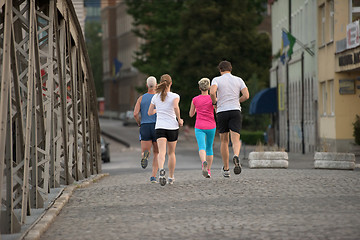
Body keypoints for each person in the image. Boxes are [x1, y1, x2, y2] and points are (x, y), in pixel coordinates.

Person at [210, 60, 249, 178]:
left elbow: (212, 92)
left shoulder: (216, 80)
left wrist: (215, 102)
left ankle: (226, 168)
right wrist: (237, 100)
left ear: (220, 70)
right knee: (236, 139)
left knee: (224, 141)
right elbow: (246, 95)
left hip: (222, 111)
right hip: (235, 110)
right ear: (230, 69)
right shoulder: (239, 80)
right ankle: (236, 155)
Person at [148, 74, 184, 186]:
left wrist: (157, 110)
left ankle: (161, 170)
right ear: (171, 83)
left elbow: (149, 112)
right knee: (171, 153)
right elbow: (175, 107)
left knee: (161, 152)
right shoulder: (175, 96)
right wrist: (179, 119)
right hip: (172, 127)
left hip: (160, 127)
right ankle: (171, 177)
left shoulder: (155, 97)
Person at [133, 76, 159, 183]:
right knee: (157, 153)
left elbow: (135, 114)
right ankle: (153, 176)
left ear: (146, 85)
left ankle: (145, 156)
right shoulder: (159, 98)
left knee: (145, 150)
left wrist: (139, 122)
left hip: (145, 126)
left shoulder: (141, 98)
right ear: (156, 85)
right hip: (157, 126)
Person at [189, 78, 216, 178]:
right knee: (209, 148)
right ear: (209, 87)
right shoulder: (212, 99)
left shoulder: (195, 99)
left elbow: (191, 114)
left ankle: (203, 162)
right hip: (211, 126)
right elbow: (217, 111)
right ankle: (208, 170)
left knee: (202, 147)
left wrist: (196, 109)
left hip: (199, 126)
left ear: (199, 87)